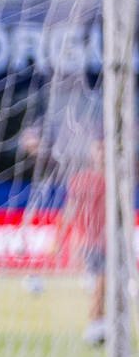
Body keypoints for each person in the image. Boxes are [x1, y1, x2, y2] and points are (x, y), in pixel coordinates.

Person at [67, 144, 111, 346]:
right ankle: (95, 326)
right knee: (100, 285)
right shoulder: (80, 180)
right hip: (93, 242)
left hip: (108, 241)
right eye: (98, 151)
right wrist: (67, 241)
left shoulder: (114, 180)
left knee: (103, 285)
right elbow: (70, 211)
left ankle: (100, 324)